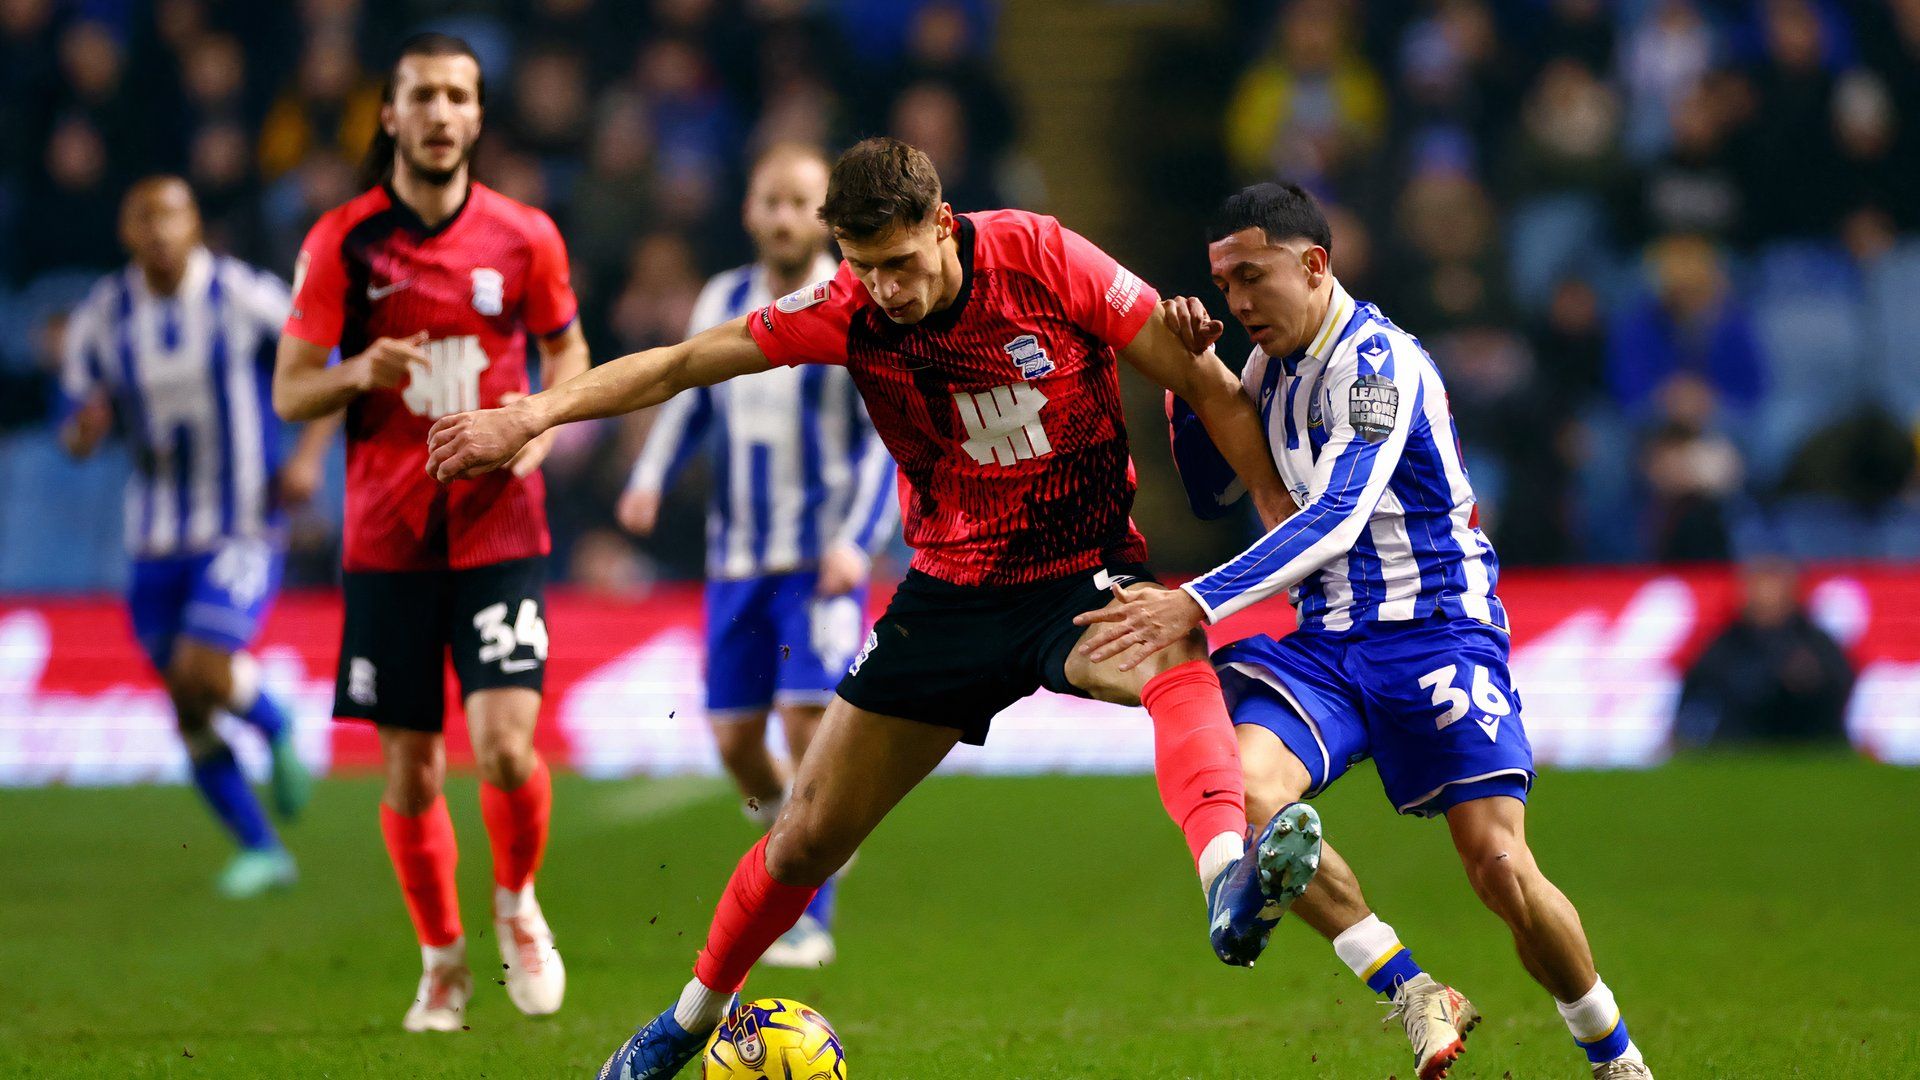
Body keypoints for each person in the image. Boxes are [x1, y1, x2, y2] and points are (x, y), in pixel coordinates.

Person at [426, 137, 1316, 1079]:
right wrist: (532, 414)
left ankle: (1228, 878)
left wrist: (1276, 522)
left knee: (1172, 659)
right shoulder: (846, 310)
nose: (883, 288)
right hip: (948, 597)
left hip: (1079, 572)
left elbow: (1207, 385)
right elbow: (688, 361)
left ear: (943, 224)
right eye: (863, 268)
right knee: (804, 834)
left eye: (898, 264)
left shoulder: (1047, 258)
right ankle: (684, 1023)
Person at [1086, 182, 1655, 1080]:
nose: (1236, 301)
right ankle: (1413, 988)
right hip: (1328, 646)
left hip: (1436, 631)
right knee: (1250, 789)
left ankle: (1611, 1052)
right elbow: (1212, 491)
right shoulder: (1271, 369)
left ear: (1314, 264)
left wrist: (1196, 601)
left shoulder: (1379, 364)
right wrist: (1190, 381)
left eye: (1251, 277)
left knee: (1499, 867)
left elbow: (1340, 516)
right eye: (1222, 283)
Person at [271, 33, 590, 1033]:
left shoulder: (525, 236)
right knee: (410, 768)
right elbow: (291, 389)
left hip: (500, 528)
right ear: (391, 115)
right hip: (388, 537)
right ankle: (443, 961)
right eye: (424, 95)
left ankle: (518, 906)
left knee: (503, 749)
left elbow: (567, 346)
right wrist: (358, 373)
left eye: (459, 95)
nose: (443, 111)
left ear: (478, 117)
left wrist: (538, 423)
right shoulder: (342, 242)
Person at [617, 143, 896, 969]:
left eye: (799, 202)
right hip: (735, 557)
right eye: (769, 200)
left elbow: (887, 440)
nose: (782, 216)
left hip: (818, 562)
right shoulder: (723, 297)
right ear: (748, 210)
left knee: (810, 726)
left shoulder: (853, 303)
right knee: (737, 741)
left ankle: (810, 911)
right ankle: (808, 831)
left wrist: (857, 541)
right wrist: (648, 476)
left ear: (825, 216)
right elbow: (688, 397)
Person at [60, 175, 323, 899]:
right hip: (152, 537)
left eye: (171, 215)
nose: (159, 231)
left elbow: (327, 365)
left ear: (195, 224)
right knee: (186, 702)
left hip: (240, 520)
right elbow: (74, 416)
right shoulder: (104, 315)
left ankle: (272, 719)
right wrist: (83, 432)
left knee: (204, 670)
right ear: (126, 232)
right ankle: (263, 850)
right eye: (144, 218)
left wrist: (304, 459)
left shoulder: (240, 293)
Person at [1675, 556, 1853, 747]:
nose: (1766, 596)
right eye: (1759, 587)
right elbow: (1696, 692)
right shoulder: (1727, 643)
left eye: (1773, 587)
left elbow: (1843, 684)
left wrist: (1813, 681)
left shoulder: (1814, 642)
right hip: (1740, 745)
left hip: (1809, 743)